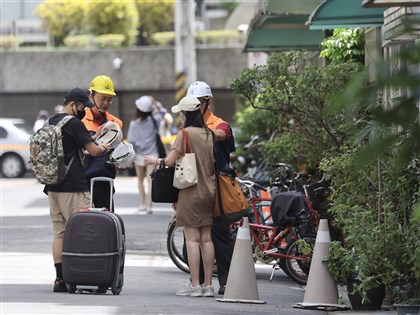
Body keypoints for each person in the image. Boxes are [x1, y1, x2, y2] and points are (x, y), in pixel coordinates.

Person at [144, 95, 216, 297]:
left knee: (192, 239)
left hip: (190, 192)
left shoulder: (185, 134)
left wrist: (154, 160)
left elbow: (169, 161)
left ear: (186, 114)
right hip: (209, 191)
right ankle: (208, 285)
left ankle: (195, 285)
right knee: (206, 239)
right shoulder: (208, 133)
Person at [43, 87, 111, 292]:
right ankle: (83, 274)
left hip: (52, 186)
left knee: (60, 234)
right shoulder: (74, 123)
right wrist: (105, 146)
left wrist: (94, 135)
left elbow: (72, 149)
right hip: (73, 187)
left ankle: (60, 279)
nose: (84, 110)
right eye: (82, 106)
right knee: (82, 232)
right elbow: (94, 150)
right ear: (73, 104)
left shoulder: (51, 121)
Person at [186, 80, 236, 295]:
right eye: (194, 103)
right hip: (193, 187)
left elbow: (223, 135)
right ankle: (198, 283)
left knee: (219, 234)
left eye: (200, 102)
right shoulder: (187, 128)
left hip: (218, 188)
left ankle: (226, 281)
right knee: (195, 237)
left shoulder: (219, 124)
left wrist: (201, 133)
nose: (197, 107)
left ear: (209, 103)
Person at [81, 75, 123, 210]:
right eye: (102, 98)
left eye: (109, 99)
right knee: (84, 224)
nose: (106, 103)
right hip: (82, 183)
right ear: (91, 96)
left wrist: (123, 160)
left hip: (105, 182)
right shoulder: (79, 121)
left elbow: (116, 153)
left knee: (106, 224)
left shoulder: (116, 123)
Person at [127, 95, 159, 214]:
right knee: (150, 180)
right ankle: (150, 206)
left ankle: (142, 204)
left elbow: (131, 141)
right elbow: (161, 113)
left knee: (140, 179)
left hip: (139, 154)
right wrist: (155, 105)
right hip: (152, 153)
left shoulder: (134, 123)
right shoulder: (154, 121)